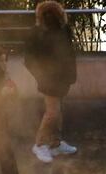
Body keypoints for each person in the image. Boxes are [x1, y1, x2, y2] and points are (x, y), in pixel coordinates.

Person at [24, 1, 78, 164]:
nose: (50, 17)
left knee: (57, 112)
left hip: (62, 79)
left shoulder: (63, 30)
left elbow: (69, 54)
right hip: (49, 80)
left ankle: (55, 143)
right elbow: (29, 60)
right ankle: (39, 144)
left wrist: (70, 75)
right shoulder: (37, 33)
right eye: (47, 14)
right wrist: (42, 76)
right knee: (52, 113)